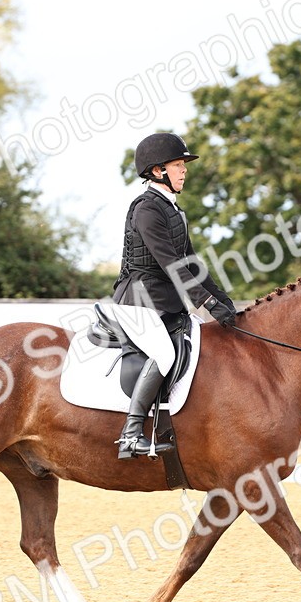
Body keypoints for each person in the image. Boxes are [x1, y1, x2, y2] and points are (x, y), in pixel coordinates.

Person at [111, 132, 238, 460]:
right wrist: (206, 303)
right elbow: (170, 263)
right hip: (138, 300)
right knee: (164, 354)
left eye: (183, 165)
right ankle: (131, 434)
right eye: (178, 165)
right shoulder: (145, 209)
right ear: (157, 171)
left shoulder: (173, 211)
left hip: (163, 304)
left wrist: (223, 300)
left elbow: (192, 263)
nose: (184, 171)